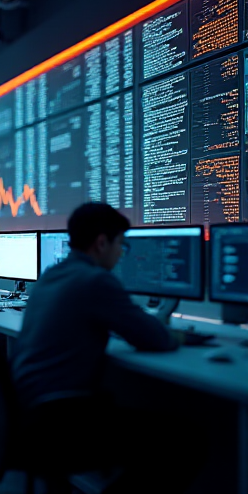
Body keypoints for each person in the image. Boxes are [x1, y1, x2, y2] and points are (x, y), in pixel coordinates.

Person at [12, 202, 201, 493]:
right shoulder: (96, 280)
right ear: (102, 243)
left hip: (30, 411)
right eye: (120, 246)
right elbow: (155, 339)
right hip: (60, 420)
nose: (120, 255)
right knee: (182, 438)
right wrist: (180, 336)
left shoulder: (52, 275)